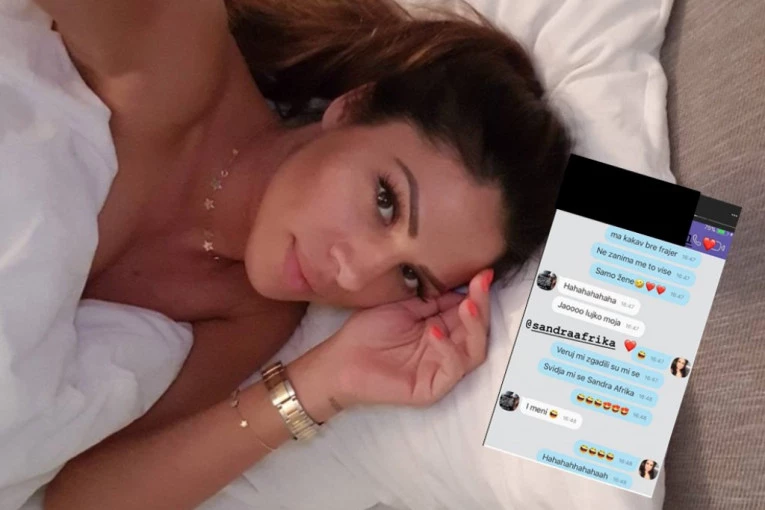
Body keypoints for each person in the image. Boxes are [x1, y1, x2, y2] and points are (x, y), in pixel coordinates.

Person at [33, 0, 570, 508]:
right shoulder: (177, 54)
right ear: (352, 107)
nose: (354, 273)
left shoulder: (252, 314)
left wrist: (324, 384)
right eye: (385, 202)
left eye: (410, 276)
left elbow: (75, 499)